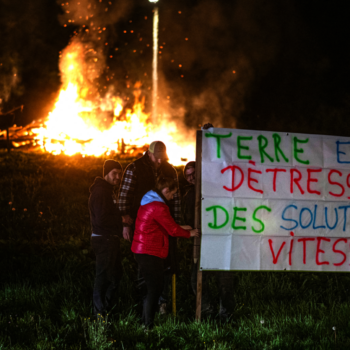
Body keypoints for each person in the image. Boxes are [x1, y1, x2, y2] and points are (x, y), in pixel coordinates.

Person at [119, 141, 181, 312]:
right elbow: (125, 196)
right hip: (143, 228)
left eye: (163, 158)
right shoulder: (134, 168)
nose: (160, 162)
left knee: (166, 264)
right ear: (149, 153)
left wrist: (175, 224)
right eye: (158, 158)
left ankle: (162, 303)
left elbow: (175, 200)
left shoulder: (170, 170)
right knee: (145, 264)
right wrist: (125, 224)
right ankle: (144, 304)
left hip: (164, 227)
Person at [131, 175, 200, 329]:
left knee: (150, 288)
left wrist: (185, 227)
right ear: (166, 190)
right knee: (155, 289)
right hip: (150, 252)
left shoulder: (149, 200)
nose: (172, 197)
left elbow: (166, 225)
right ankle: (147, 325)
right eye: (172, 194)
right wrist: (190, 233)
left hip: (142, 250)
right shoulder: (158, 206)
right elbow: (172, 230)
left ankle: (144, 322)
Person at [182, 160, 236, 321]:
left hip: (221, 242)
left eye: (193, 174)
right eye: (187, 175)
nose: (191, 178)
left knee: (225, 280)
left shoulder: (216, 190)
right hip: (201, 243)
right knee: (196, 279)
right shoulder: (189, 195)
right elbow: (188, 218)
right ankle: (208, 311)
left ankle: (226, 315)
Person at [89, 159, 123, 318]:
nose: (118, 177)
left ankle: (106, 310)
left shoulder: (108, 190)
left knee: (114, 277)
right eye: (114, 173)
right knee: (103, 278)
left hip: (110, 239)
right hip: (104, 240)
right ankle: (99, 315)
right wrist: (121, 219)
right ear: (106, 174)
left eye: (119, 174)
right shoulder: (101, 192)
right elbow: (101, 219)